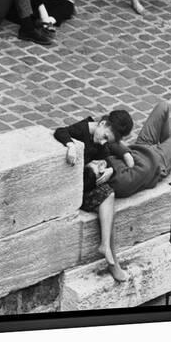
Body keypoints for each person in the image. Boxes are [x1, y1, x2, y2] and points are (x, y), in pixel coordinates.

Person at [84, 102, 171, 199]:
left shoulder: (103, 165)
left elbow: (112, 145)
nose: (98, 162)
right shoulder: (121, 182)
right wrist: (114, 170)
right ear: (101, 178)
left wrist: (126, 154)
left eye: (94, 163)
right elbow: (146, 169)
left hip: (141, 147)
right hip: (159, 160)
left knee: (162, 107)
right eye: (98, 167)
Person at [54, 110, 134, 282]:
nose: (103, 141)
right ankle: (111, 259)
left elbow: (106, 156)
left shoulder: (99, 139)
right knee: (108, 203)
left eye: (107, 140)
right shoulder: (82, 130)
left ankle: (106, 247)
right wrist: (70, 146)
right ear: (102, 124)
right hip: (76, 190)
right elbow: (61, 131)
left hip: (88, 185)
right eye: (105, 136)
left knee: (109, 198)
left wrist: (110, 169)